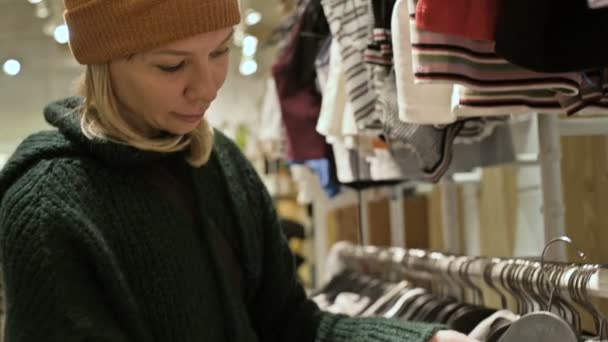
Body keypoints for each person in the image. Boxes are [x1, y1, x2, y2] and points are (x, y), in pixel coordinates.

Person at [0, 1, 478, 341]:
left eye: (220, 51)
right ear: (103, 63)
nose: (206, 88)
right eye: (171, 66)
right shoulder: (48, 207)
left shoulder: (218, 161)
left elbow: (291, 326)